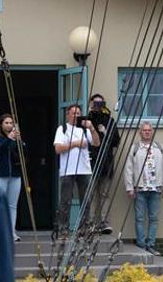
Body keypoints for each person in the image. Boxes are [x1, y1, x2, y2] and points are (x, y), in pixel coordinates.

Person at [54, 104, 100, 237]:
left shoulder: (85, 130)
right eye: (74, 113)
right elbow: (58, 149)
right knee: (65, 200)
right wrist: (75, 144)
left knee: (86, 200)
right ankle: (64, 228)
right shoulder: (62, 129)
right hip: (67, 170)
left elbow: (96, 143)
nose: (77, 116)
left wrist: (91, 128)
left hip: (84, 169)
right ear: (68, 114)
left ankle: (83, 228)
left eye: (79, 113)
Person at [124, 122, 163, 255]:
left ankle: (151, 245)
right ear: (140, 132)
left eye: (149, 130)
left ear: (152, 132)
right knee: (139, 218)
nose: (147, 132)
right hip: (140, 189)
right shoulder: (135, 147)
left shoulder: (159, 147)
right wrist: (129, 187)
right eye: (144, 130)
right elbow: (128, 169)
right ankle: (141, 245)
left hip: (156, 189)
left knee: (154, 218)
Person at [87, 94, 120, 234]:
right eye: (95, 103)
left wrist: (105, 132)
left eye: (101, 103)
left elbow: (116, 142)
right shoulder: (87, 120)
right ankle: (91, 223)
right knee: (91, 194)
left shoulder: (109, 121)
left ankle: (104, 222)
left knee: (104, 193)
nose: (98, 106)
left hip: (105, 163)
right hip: (89, 162)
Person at [0, 114, 23, 241]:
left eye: (11, 123)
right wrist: (8, 138)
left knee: (12, 205)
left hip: (15, 174)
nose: (9, 125)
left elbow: (23, 153)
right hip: (1, 174)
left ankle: (11, 232)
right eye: (6, 123)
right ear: (1, 125)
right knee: (0, 204)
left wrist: (19, 141)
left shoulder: (15, 138)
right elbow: (0, 149)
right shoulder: (0, 138)